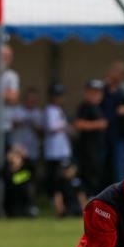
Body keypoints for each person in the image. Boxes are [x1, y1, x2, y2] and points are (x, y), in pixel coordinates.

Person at [43, 82, 84, 217]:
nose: (59, 98)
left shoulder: (59, 111)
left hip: (63, 151)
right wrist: (67, 127)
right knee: (57, 182)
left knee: (71, 181)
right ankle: (58, 208)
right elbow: (52, 127)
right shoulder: (49, 110)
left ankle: (73, 206)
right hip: (53, 153)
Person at [72, 78, 108, 198]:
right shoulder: (85, 106)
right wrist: (98, 124)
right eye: (94, 92)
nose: (97, 95)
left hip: (97, 149)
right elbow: (78, 124)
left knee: (97, 175)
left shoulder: (98, 107)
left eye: (98, 92)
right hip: (87, 149)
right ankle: (87, 200)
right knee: (88, 176)